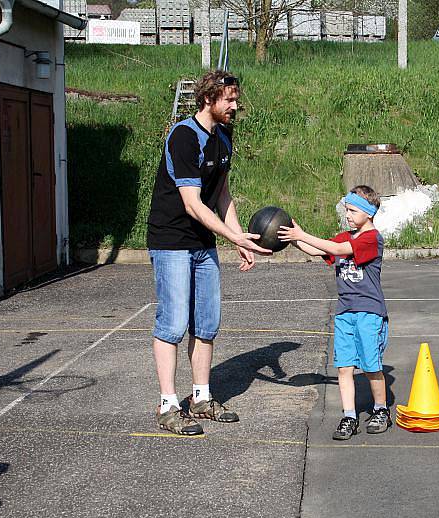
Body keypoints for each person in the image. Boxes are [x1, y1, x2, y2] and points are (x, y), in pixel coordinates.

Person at [147, 70, 271, 435]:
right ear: (208, 99)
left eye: (236, 99)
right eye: (229, 99)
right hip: (171, 241)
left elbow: (220, 194)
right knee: (172, 323)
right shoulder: (184, 136)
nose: (235, 105)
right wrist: (239, 238)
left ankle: (201, 398)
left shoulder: (224, 136)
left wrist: (237, 238)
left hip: (203, 243)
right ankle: (168, 405)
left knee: (207, 323)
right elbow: (193, 205)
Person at [277, 185, 391, 440]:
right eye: (346, 210)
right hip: (345, 312)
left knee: (372, 367)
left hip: (368, 312)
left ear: (368, 213)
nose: (347, 215)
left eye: (352, 210)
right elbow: (320, 249)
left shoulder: (372, 238)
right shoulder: (344, 236)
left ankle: (381, 410)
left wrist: (303, 234)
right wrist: (292, 238)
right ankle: (349, 415)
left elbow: (340, 251)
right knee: (343, 367)